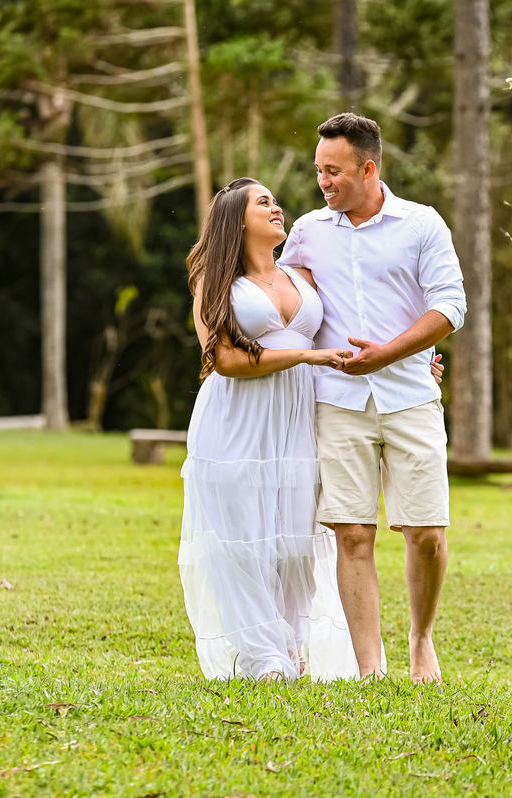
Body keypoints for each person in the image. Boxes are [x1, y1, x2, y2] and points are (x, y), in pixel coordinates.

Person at [276, 112, 466, 684]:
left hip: (409, 395)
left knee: (426, 532)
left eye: (334, 171)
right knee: (352, 532)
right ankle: (369, 667)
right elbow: (283, 300)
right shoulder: (308, 230)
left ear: (368, 167)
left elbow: (450, 307)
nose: (323, 182)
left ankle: (421, 638)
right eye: (318, 172)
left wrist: (391, 353)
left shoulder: (422, 225)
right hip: (336, 400)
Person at [178, 177, 364, 682]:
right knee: (241, 542)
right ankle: (264, 660)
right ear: (237, 219)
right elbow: (227, 360)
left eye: (275, 200)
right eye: (264, 203)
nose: (277, 207)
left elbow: (354, 327)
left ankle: (293, 647)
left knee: (292, 542)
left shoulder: (301, 277)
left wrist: (409, 364)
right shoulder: (214, 283)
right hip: (236, 423)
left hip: (295, 423)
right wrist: (307, 354)